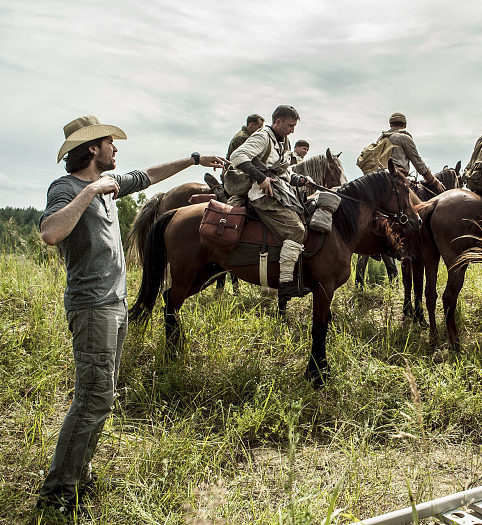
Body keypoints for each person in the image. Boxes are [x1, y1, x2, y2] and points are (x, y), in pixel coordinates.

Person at [37, 115, 226, 516]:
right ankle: (57, 493)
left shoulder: (110, 183)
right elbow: (51, 232)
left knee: (102, 398)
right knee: (92, 398)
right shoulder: (66, 188)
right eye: (110, 143)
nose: (116, 149)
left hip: (114, 306)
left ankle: (79, 474)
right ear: (93, 148)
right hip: (92, 307)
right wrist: (91, 192)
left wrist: (194, 159)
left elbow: (148, 176)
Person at [228, 105, 315, 299]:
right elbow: (237, 156)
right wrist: (260, 178)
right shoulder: (263, 137)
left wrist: (300, 179)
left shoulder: (283, 141)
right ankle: (286, 284)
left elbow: (283, 172)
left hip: (279, 192)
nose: (292, 130)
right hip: (263, 196)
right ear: (278, 121)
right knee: (296, 230)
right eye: (290, 126)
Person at [356, 112, 445, 288]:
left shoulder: (382, 138)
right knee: (419, 212)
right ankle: (412, 248)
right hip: (397, 180)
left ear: (391, 124)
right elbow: (418, 163)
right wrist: (434, 181)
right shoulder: (404, 138)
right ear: (404, 125)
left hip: (378, 182)